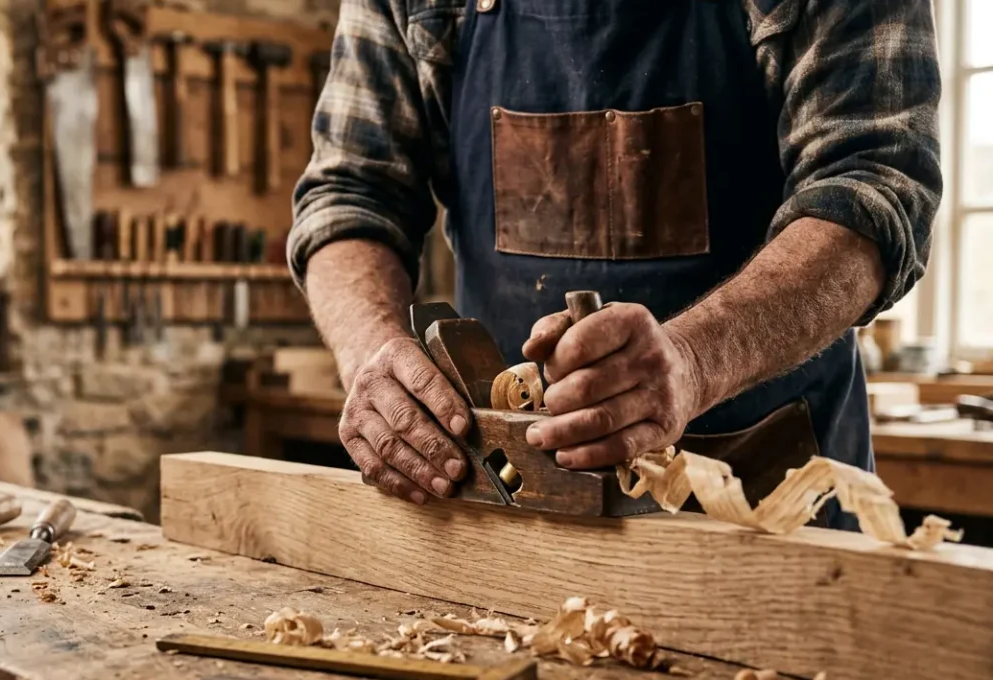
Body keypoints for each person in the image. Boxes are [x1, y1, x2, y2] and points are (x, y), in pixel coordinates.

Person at [286, 0, 941, 530]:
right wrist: (371, 347)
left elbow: (874, 189)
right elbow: (352, 192)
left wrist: (694, 361)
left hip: (768, 504)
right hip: (509, 503)